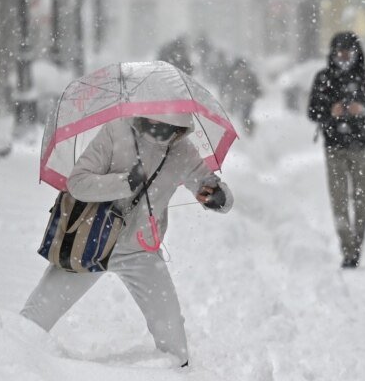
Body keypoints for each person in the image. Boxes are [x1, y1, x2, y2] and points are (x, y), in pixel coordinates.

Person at [21, 114, 233, 366]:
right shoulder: (116, 130)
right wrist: (126, 182)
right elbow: (77, 182)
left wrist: (218, 197)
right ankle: (8, 368)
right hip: (89, 243)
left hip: (140, 251)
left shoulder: (182, 150)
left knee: (176, 351)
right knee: (28, 327)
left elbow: (212, 188)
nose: (162, 117)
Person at [308, 32, 365, 268]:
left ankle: (358, 243)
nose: (344, 57)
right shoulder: (323, 78)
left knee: (362, 200)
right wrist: (329, 111)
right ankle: (348, 249)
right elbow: (312, 111)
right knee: (339, 200)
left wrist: (363, 109)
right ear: (333, 54)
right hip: (334, 147)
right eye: (339, 53)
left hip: (364, 147)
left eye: (348, 52)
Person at [227, 57, 262, 134]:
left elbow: (232, 89)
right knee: (245, 115)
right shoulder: (249, 74)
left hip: (243, 99)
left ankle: (248, 128)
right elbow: (256, 86)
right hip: (247, 99)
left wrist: (232, 103)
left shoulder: (236, 75)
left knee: (244, 116)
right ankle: (248, 127)